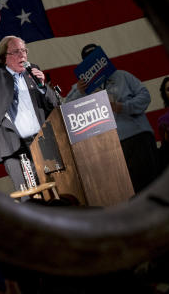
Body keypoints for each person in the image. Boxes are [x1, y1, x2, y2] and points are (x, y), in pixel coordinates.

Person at [0, 2, 61, 192]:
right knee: (31, 198)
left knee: (56, 192)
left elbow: (55, 104)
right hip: (17, 149)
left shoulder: (33, 73)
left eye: (24, 50)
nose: (22, 55)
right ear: (4, 57)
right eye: (16, 51)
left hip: (43, 143)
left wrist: (43, 86)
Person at [65, 43, 159, 192]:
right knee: (125, 192)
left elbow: (145, 96)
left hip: (137, 137)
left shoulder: (122, 75)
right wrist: (79, 92)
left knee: (150, 187)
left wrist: (124, 107)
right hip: (108, 148)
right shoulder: (81, 88)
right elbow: (66, 112)